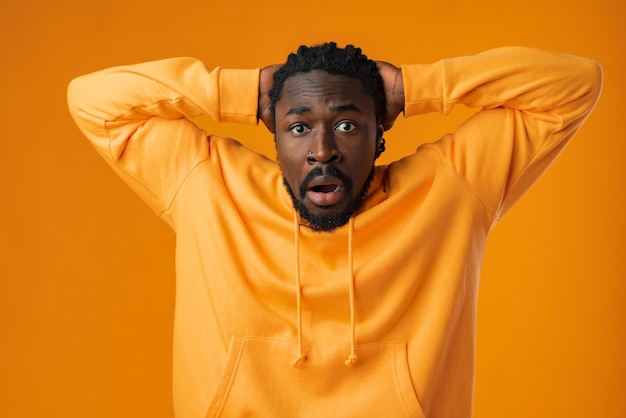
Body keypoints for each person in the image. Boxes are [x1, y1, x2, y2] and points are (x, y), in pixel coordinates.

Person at [67, 42, 602, 418]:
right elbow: (92, 99)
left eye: (347, 124)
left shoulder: (448, 191)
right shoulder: (211, 186)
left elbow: (576, 84)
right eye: (298, 127)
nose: (322, 150)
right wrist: (242, 90)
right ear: (274, 134)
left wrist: (416, 87)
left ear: (380, 130)